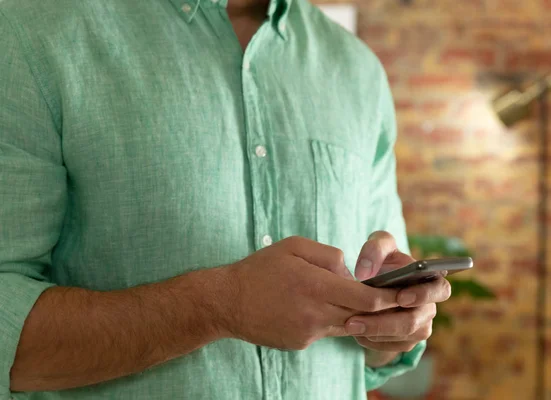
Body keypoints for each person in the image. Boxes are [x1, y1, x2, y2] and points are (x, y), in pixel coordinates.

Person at [0, 0, 451, 399]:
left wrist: (393, 322)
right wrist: (218, 305)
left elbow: (375, 357)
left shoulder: (357, 70)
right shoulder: (31, 35)